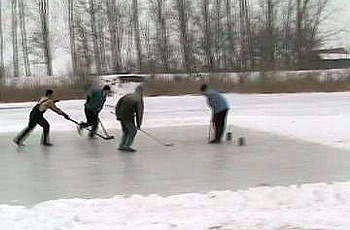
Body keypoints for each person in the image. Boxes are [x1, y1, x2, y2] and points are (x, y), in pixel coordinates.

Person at [115, 86, 144, 152]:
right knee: (133, 131)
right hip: (128, 116)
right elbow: (139, 113)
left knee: (126, 131)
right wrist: (139, 124)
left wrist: (118, 115)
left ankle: (122, 145)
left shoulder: (127, 95)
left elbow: (118, 105)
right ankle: (127, 146)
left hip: (122, 115)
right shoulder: (139, 99)